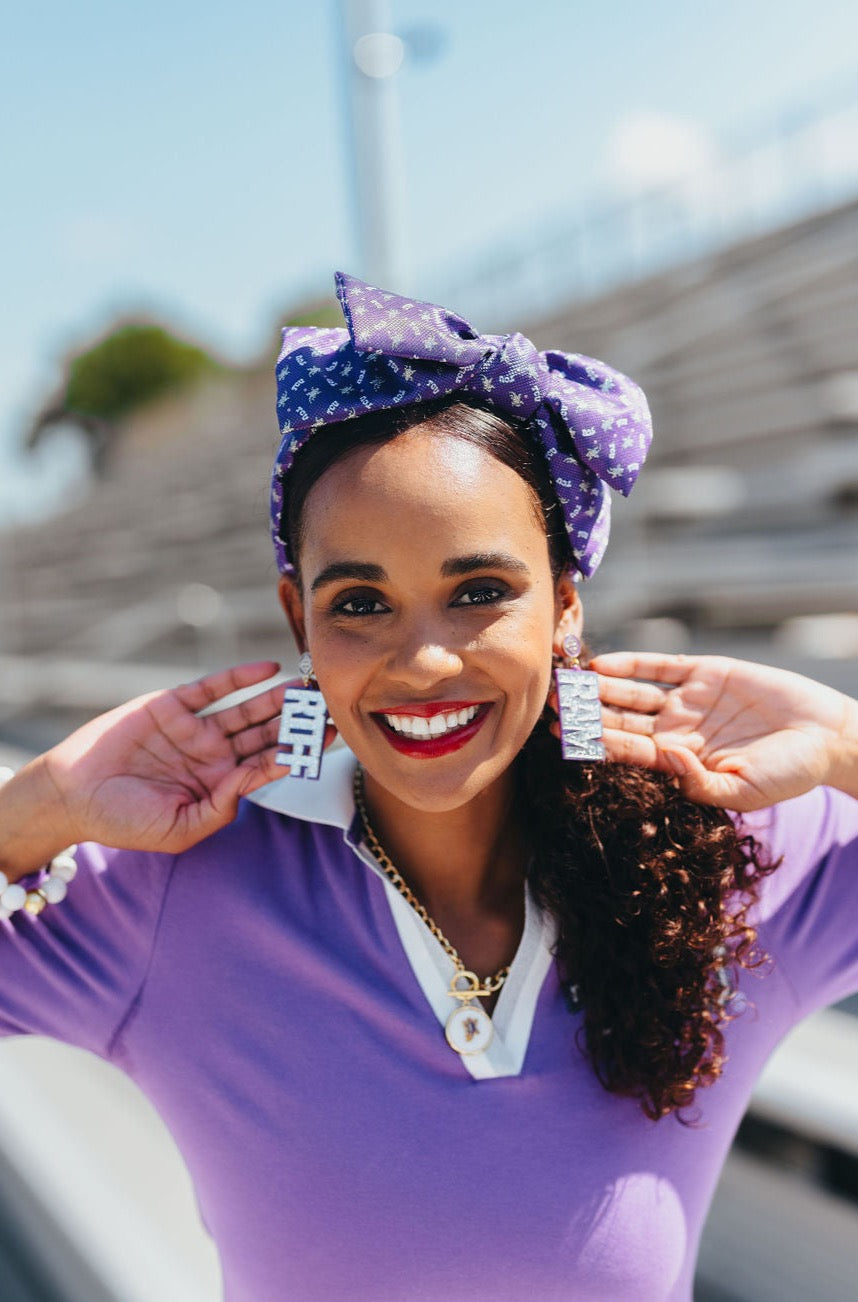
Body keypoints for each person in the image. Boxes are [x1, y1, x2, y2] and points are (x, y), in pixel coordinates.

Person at [1, 272, 857, 1302]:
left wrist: (849, 740)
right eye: (361, 602)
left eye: (481, 592)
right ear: (295, 617)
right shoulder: (176, 890)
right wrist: (41, 805)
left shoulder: (727, 857)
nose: (426, 662)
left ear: (566, 604)